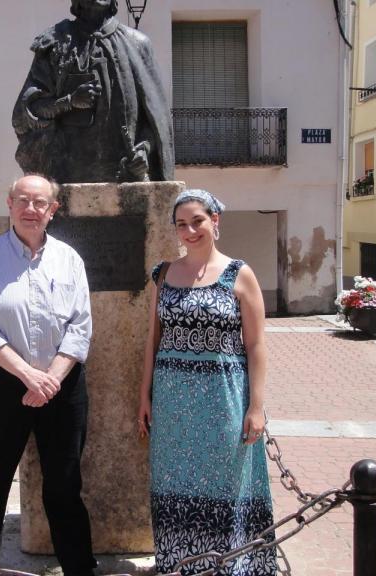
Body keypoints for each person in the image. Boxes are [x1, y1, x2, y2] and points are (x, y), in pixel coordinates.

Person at [0, 175, 96, 576]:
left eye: (40, 203)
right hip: (3, 381)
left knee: (65, 484)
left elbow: (80, 324)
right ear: (10, 204)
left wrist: (50, 376)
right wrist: (27, 375)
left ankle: (79, 568)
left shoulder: (69, 258)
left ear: (53, 210)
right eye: (23, 200)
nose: (31, 209)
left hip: (62, 383)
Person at [138, 189, 276, 575]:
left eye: (197, 221)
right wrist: (143, 395)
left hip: (223, 399)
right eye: (181, 224)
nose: (190, 230)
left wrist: (257, 406)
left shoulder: (239, 273)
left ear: (215, 220)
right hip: (171, 401)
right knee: (173, 482)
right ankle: (180, 563)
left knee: (225, 484)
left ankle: (228, 565)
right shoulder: (163, 274)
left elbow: (256, 345)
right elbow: (153, 339)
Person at [11, 0, 174, 184]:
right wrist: (69, 102)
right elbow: (26, 113)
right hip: (67, 180)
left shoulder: (137, 44)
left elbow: (156, 120)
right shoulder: (56, 43)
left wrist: (144, 149)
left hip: (127, 179)